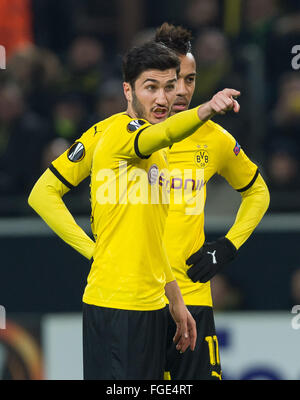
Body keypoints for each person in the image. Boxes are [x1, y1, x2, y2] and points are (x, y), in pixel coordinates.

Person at [28, 40, 241, 380]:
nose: (162, 99)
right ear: (128, 90)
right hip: (117, 308)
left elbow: (151, 237)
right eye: (150, 88)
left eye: (169, 87)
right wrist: (205, 110)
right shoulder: (120, 134)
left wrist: (175, 299)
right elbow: (41, 194)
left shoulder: (160, 154)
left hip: (151, 304)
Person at [155, 22, 270, 380]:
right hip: (135, 300)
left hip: (193, 299)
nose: (184, 90)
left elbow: (258, 192)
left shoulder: (214, 139)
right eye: (175, 79)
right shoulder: (125, 136)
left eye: (190, 79)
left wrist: (227, 246)